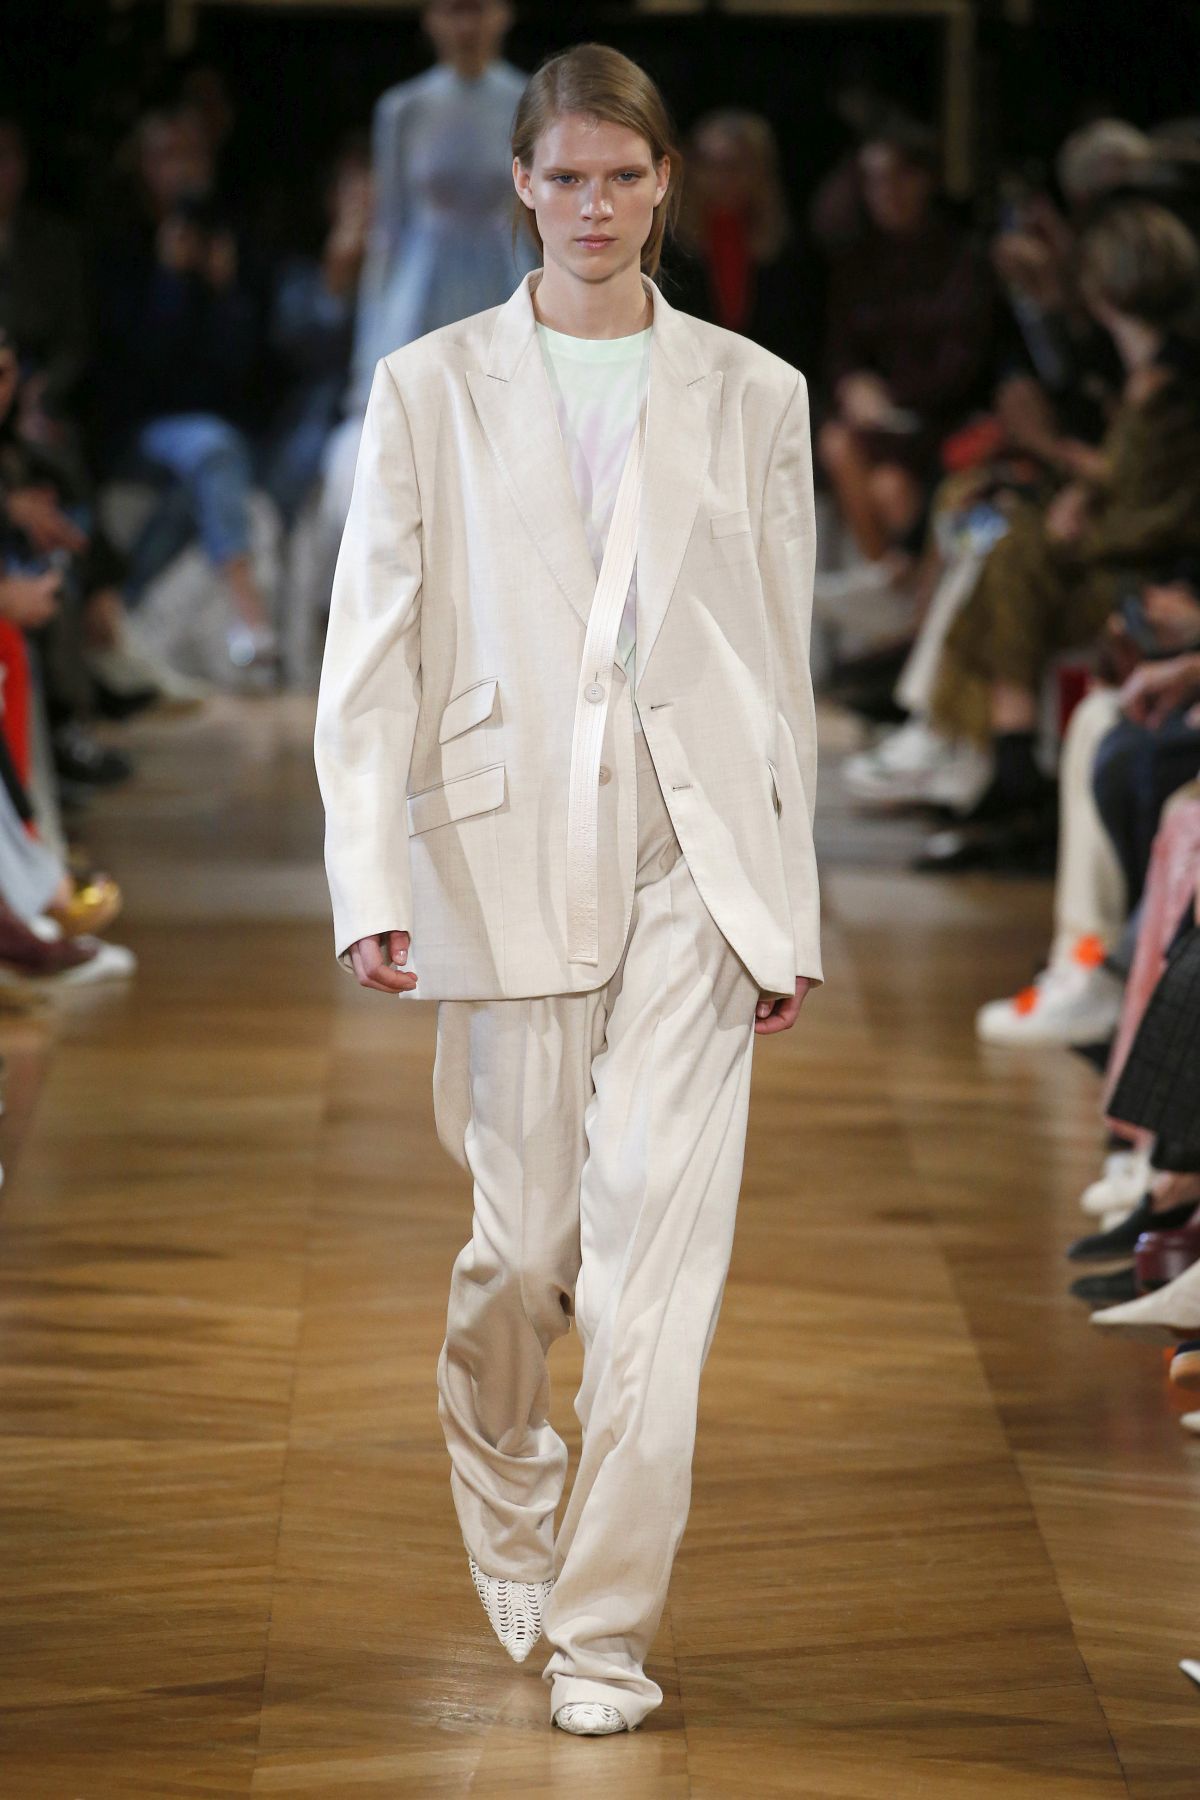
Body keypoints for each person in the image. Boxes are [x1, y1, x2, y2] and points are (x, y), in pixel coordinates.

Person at [314, 42, 821, 1738]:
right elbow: (369, 647)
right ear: (520, 186)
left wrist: (788, 905)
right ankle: (504, 1468)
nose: (594, 206)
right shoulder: (429, 386)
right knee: (525, 1257)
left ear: (664, 184)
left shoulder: (754, 392)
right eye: (566, 177)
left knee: (651, 1278)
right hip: (502, 845)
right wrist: (368, 874)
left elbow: (779, 668)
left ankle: (604, 1632)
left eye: (623, 176)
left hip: (697, 856)